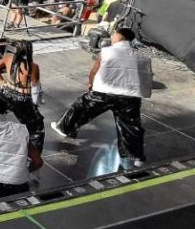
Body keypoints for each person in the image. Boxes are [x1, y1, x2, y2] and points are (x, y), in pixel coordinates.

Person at [52, 27, 148, 169]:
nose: (112, 35)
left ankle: (65, 127)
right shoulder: (140, 56)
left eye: (115, 34)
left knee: (81, 107)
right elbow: (144, 79)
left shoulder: (107, 51)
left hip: (104, 92)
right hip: (129, 96)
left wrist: (91, 84)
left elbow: (94, 71)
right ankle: (135, 157)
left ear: (121, 38)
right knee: (131, 127)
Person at [0, 41, 45, 152]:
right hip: (22, 98)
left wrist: (2, 81)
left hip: (6, 94)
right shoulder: (33, 66)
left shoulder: (8, 58)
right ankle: (34, 154)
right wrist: (37, 104)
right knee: (37, 127)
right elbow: (36, 88)